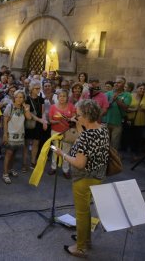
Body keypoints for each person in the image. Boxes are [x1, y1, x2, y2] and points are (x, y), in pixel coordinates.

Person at [53, 99, 110, 258]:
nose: (76, 116)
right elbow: (87, 142)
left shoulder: (87, 136)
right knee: (86, 211)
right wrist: (79, 127)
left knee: (82, 213)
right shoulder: (102, 129)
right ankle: (86, 240)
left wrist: (62, 154)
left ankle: (80, 248)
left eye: (78, 115)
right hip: (98, 176)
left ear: (85, 116)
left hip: (84, 179)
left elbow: (79, 163)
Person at [2, 90, 32, 184]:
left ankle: (10, 169)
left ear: (24, 99)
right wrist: (5, 134)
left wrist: (25, 108)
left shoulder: (24, 107)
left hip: (20, 134)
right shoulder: (10, 107)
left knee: (14, 154)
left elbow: (29, 118)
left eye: (21, 97)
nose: (19, 99)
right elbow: (5, 121)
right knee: (8, 154)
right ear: (14, 98)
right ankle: (5, 173)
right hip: (10, 134)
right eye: (17, 97)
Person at [48, 89, 76, 178]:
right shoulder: (53, 107)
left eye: (64, 96)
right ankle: (53, 167)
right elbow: (50, 120)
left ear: (67, 97)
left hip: (67, 132)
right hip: (55, 132)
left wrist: (71, 119)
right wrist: (55, 122)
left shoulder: (71, 106)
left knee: (66, 151)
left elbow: (75, 116)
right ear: (58, 97)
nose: (62, 98)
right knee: (55, 150)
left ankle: (66, 170)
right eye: (60, 96)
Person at [23, 80, 47, 171]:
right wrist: (40, 120)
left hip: (38, 124)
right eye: (36, 88)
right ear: (31, 89)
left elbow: (43, 112)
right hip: (29, 123)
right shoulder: (26, 99)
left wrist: (44, 121)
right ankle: (24, 163)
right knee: (26, 144)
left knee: (36, 143)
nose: (38, 90)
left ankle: (33, 161)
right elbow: (28, 113)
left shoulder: (41, 99)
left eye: (39, 88)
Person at [102, 76, 132, 150]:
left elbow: (125, 108)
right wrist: (112, 100)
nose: (116, 84)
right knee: (105, 143)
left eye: (119, 82)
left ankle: (114, 160)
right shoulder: (108, 93)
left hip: (117, 123)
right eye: (115, 82)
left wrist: (117, 100)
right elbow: (104, 107)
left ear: (123, 84)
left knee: (114, 145)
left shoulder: (127, 95)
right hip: (106, 122)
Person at [125, 82, 145, 159]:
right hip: (130, 121)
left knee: (137, 139)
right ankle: (126, 153)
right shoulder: (130, 96)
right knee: (128, 137)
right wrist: (134, 109)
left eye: (144, 89)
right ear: (137, 88)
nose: (142, 90)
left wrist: (144, 109)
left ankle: (134, 154)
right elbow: (125, 108)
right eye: (140, 88)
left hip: (141, 122)